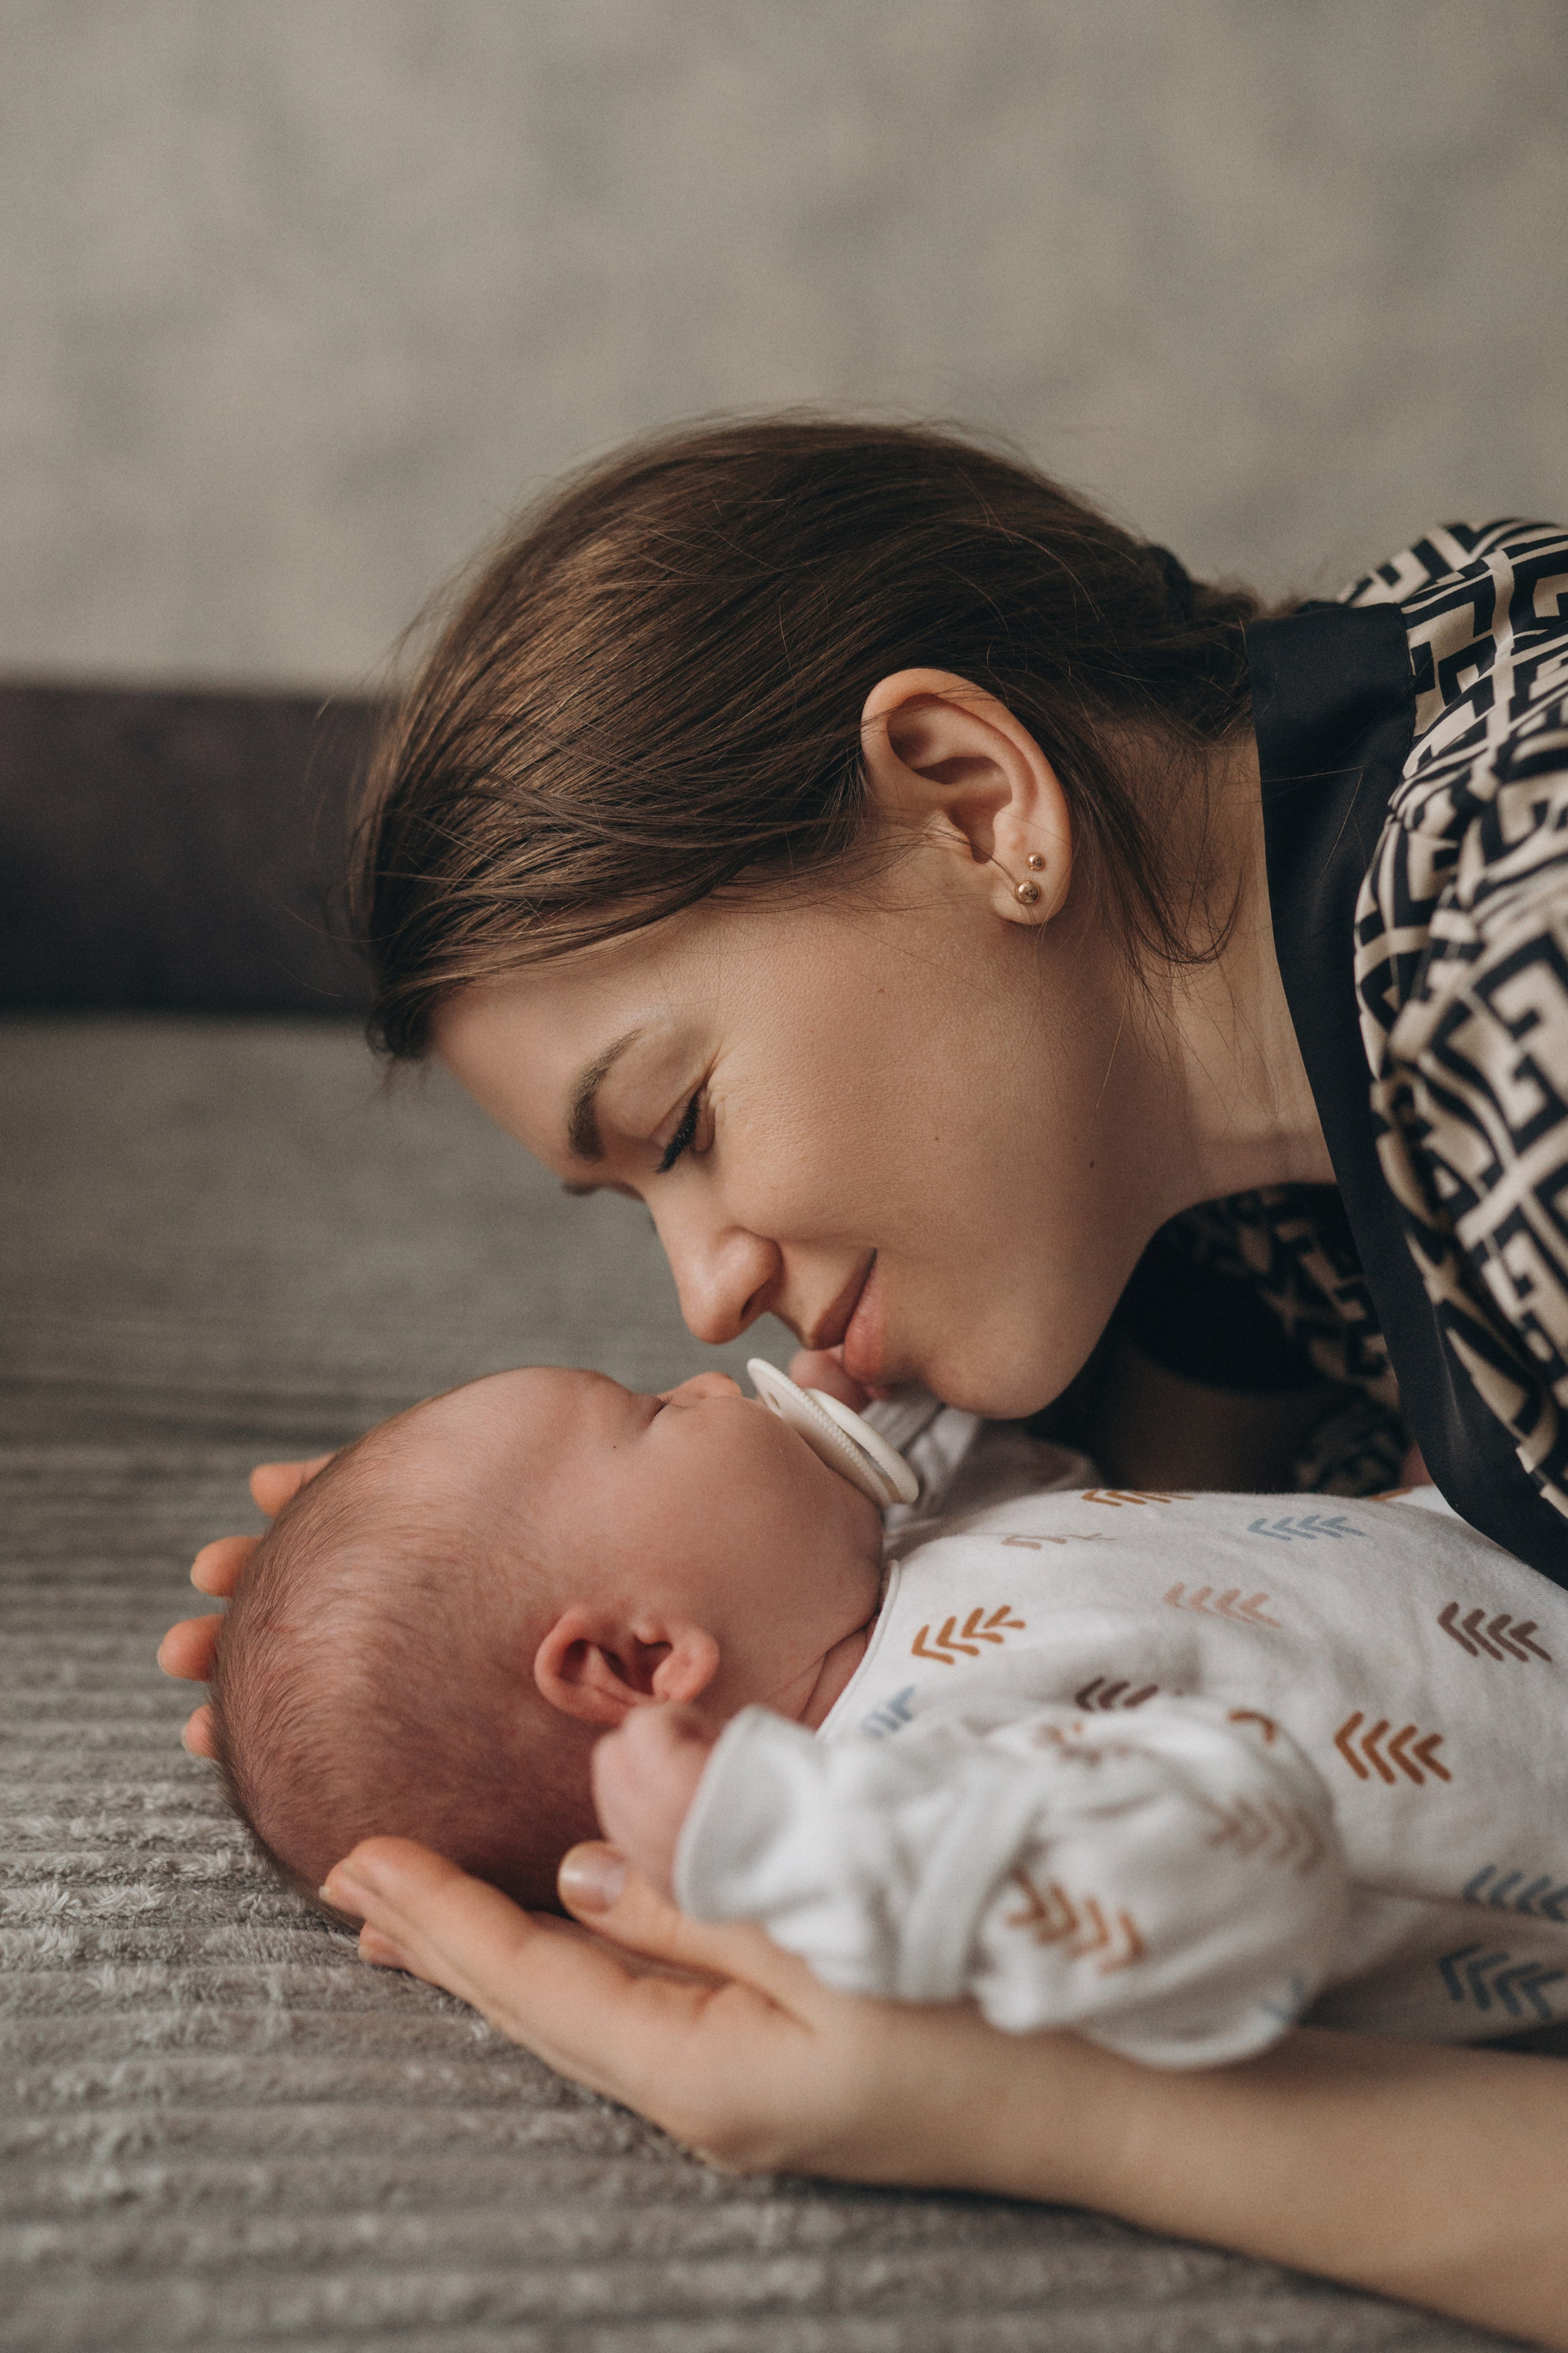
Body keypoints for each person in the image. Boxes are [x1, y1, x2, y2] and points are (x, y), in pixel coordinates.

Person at [160, 418, 1568, 2344]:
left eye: (686, 1120)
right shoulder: (1229, 1081)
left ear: (977, 801)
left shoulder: (1525, 969)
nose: (709, 1292)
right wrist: (429, 1621)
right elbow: (1125, 1565)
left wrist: (1046, 2117)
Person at [201, 1355, 1568, 2074]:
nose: (700, 1377)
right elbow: (1239, 1897)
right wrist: (811, 1847)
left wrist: (878, 1410)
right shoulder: (902, 1814)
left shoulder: (878, 1601)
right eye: (646, 1410)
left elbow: (1047, 1494)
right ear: (638, 1656)